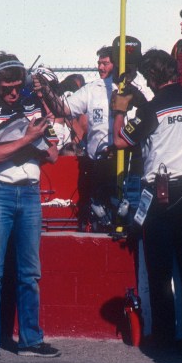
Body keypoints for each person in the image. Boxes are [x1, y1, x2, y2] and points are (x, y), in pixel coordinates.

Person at [0, 52, 61, 360]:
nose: (12, 92)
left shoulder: (33, 105)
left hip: (31, 192)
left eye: (17, 86)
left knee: (30, 271)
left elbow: (52, 155)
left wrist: (38, 140)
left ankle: (30, 340)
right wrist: (26, 140)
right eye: (6, 87)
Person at [111, 49, 182, 348]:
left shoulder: (152, 110)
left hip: (162, 196)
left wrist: (120, 107)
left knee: (159, 272)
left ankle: (166, 337)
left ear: (153, 78)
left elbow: (120, 140)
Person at [63, 47, 118, 230]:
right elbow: (65, 109)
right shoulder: (91, 89)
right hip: (97, 164)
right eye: (99, 63)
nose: (101, 67)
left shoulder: (129, 90)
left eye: (105, 63)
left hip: (122, 165)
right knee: (98, 215)